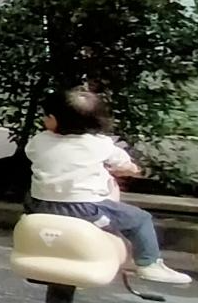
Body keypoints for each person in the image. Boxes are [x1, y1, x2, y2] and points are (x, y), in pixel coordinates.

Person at [26, 88, 190, 285]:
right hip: (85, 209)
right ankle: (149, 264)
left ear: (53, 120)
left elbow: (38, 156)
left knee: (34, 191)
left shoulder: (39, 141)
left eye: (45, 116)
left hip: (40, 206)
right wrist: (133, 170)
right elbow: (125, 165)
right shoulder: (101, 144)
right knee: (140, 219)